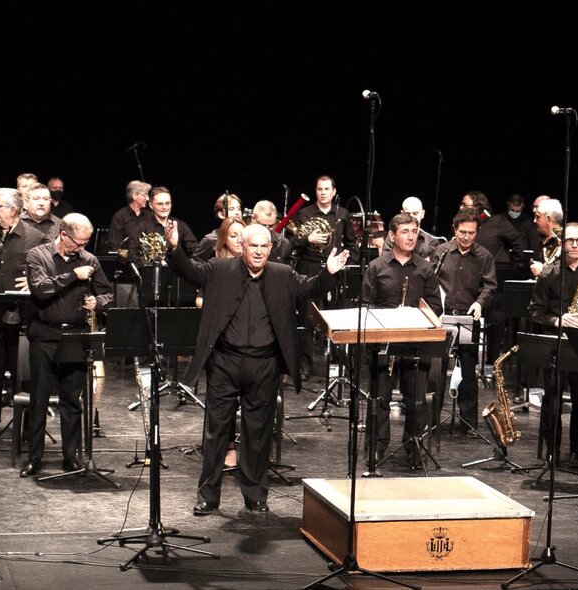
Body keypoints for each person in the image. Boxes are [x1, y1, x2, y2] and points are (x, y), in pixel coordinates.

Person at [168, 224, 345, 516]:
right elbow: (188, 271)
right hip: (224, 363)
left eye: (264, 246)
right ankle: (208, 497)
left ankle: (255, 496)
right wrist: (175, 248)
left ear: (270, 249)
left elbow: (311, 287)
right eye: (254, 246)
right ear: (242, 247)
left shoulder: (283, 274)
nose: (259, 252)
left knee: (258, 433)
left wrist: (329, 272)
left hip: (264, 365)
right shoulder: (219, 269)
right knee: (216, 431)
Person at [21, 215, 112, 477]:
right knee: (39, 399)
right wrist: (73, 275)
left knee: (72, 399)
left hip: (76, 336)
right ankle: (34, 458)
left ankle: (70, 457)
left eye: (85, 243)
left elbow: (107, 293)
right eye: (78, 243)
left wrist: (98, 303)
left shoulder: (90, 260)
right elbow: (41, 290)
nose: (82, 248)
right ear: (63, 235)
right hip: (44, 335)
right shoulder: (38, 256)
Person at [0, 188, 51, 440]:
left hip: (23, 318)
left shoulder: (36, 239)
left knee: (22, 376)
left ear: (13, 210)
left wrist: (34, 282)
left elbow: (49, 271)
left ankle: (26, 428)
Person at [362, 213, 442, 474]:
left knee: (416, 401)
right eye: (405, 231)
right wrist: (390, 317)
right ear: (392, 235)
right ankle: (377, 447)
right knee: (380, 399)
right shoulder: (376, 267)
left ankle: (414, 448)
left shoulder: (425, 269)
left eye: (414, 231)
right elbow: (366, 306)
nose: (410, 236)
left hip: (415, 344)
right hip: (384, 343)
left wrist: (413, 315)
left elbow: (436, 307)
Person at [527, 218, 578, 464]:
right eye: (570, 240)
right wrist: (558, 320)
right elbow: (535, 311)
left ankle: (577, 452)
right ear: (562, 243)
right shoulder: (549, 273)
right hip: (556, 345)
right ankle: (552, 450)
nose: (574, 245)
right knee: (552, 400)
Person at [433, 212, 497, 434]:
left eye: (471, 233)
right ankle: (431, 419)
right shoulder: (441, 252)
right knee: (437, 369)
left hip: (468, 318)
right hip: (442, 317)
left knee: (468, 370)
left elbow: (490, 286)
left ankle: (468, 422)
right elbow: (431, 281)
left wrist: (480, 303)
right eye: (462, 232)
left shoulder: (484, 256)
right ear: (454, 230)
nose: (467, 237)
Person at [103, 180, 150, 256]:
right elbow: (115, 245)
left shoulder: (148, 216)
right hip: (126, 261)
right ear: (134, 196)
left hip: (146, 260)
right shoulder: (119, 217)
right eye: (145, 195)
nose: (147, 199)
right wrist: (129, 258)